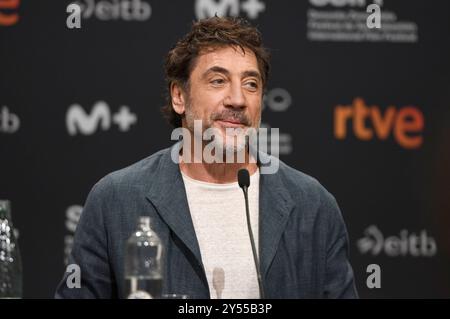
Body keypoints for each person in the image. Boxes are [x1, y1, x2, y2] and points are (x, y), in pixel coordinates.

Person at [55, 16, 358, 299]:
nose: (238, 99)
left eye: (251, 84)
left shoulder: (313, 205)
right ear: (179, 97)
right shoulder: (116, 200)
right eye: (218, 81)